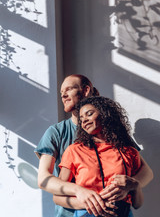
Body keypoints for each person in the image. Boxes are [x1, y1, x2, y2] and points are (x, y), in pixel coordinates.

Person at [35, 74, 153, 217]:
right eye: (61, 93)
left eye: (68, 89)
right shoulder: (57, 133)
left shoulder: (118, 138)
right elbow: (43, 179)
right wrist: (81, 192)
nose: (63, 95)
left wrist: (130, 187)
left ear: (85, 90)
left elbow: (145, 172)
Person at [54, 96, 144, 217]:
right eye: (81, 118)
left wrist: (135, 185)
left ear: (106, 114)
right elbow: (57, 197)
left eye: (89, 114)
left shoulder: (130, 152)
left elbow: (137, 204)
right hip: (87, 213)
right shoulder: (74, 150)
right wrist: (90, 203)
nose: (84, 120)